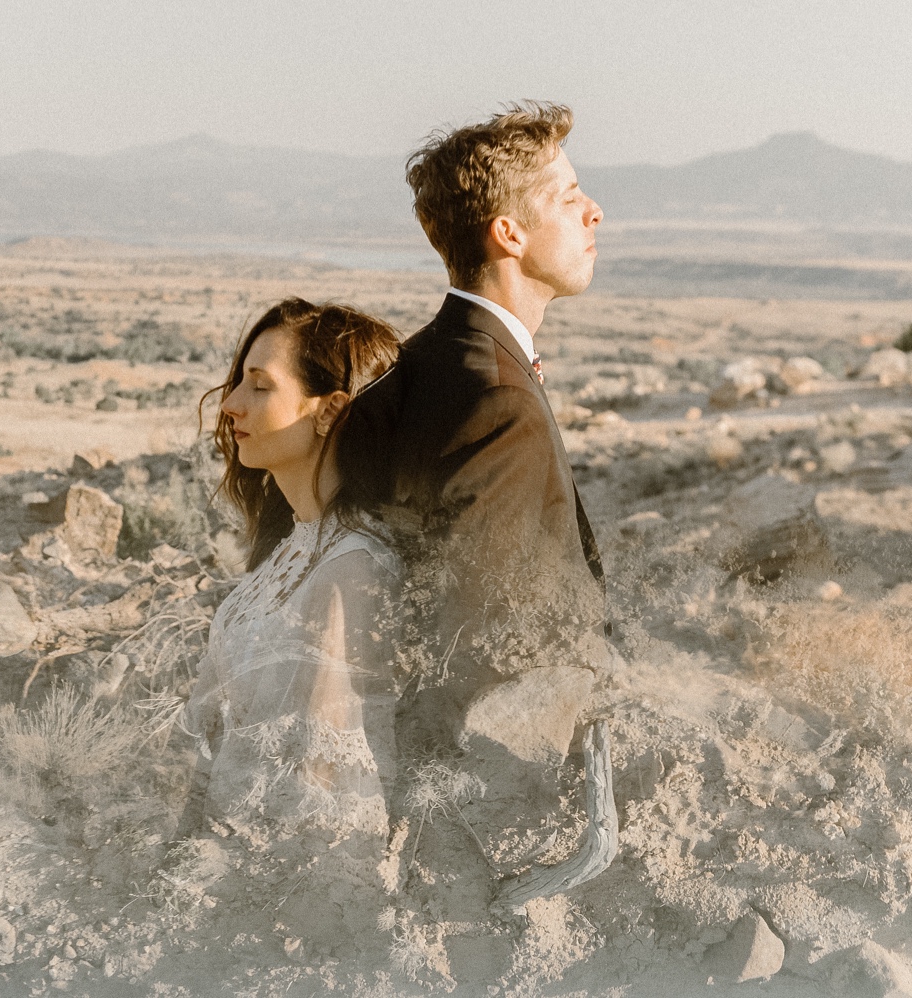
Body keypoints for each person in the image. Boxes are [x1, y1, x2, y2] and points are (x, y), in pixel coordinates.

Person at [334, 101, 618, 905]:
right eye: (568, 199)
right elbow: (465, 632)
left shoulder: (422, 366)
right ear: (509, 235)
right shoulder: (497, 399)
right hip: (485, 822)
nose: (594, 210)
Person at [181, 298, 402, 845]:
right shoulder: (296, 545)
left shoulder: (352, 571)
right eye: (238, 382)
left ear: (329, 410)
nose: (230, 404)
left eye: (260, 386)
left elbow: (317, 791)